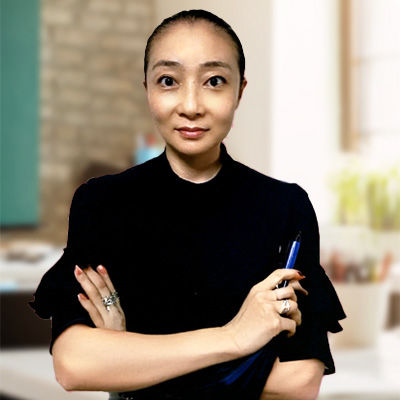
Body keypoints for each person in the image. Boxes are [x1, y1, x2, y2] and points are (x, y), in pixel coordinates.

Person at [31, 9, 345, 400]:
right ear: (147, 88)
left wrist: (128, 360)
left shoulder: (285, 206)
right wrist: (235, 337)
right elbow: (75, 365)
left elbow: (298, 381)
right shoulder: (103, 202)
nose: (191, 105)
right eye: (168, 81)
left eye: (215, 81)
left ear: (240, 91)